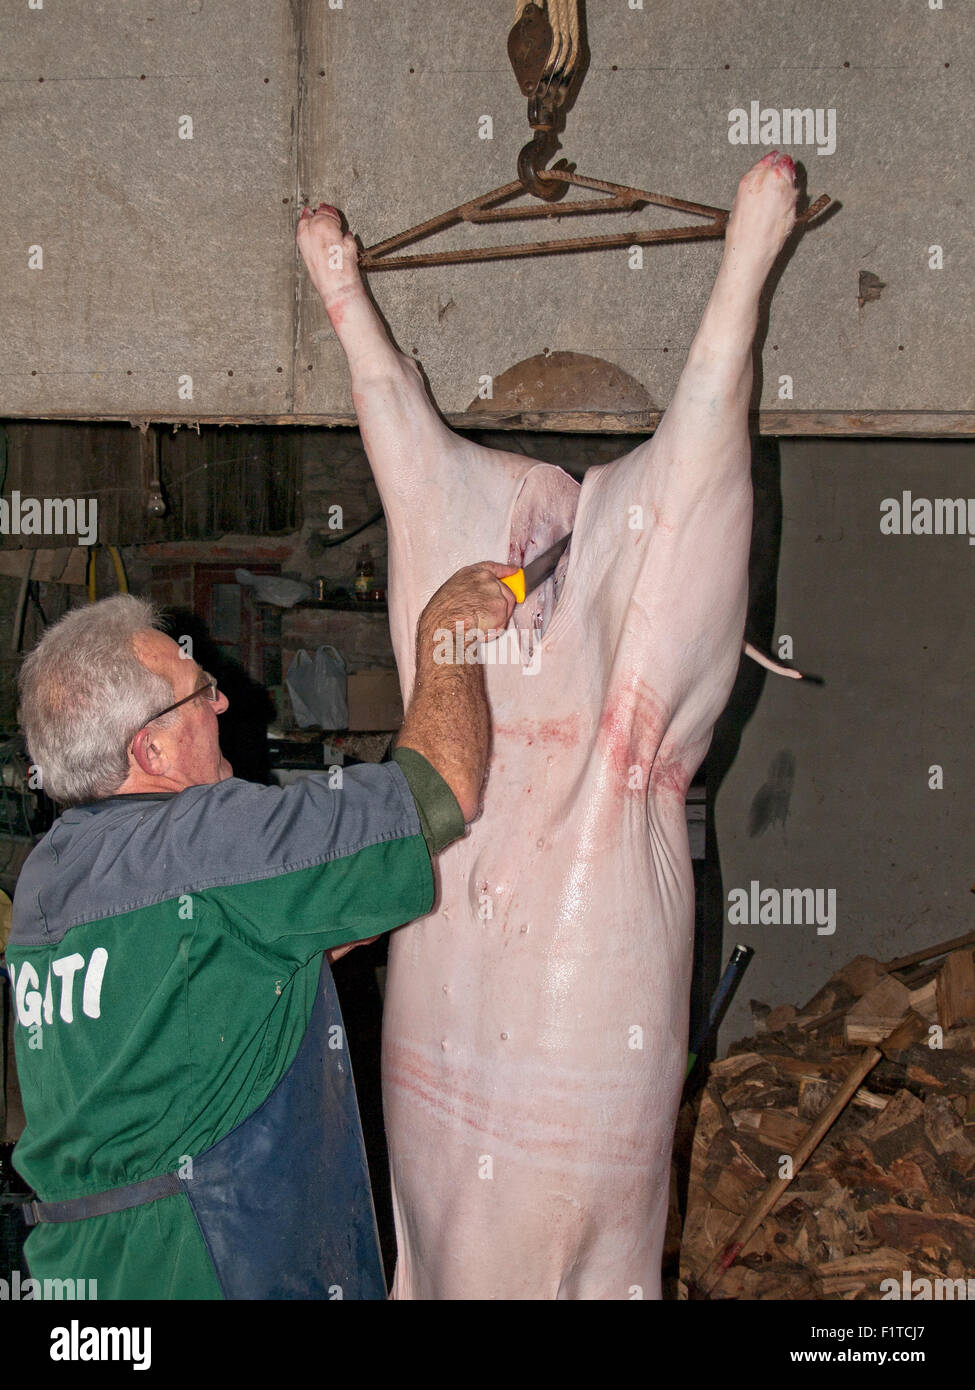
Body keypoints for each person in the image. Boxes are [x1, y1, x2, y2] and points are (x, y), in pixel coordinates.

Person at [6, 566, 515, 1300]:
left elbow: (233, 964)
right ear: (149, 751)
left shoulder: (51, 875)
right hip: (210, 1263)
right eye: (198, 690)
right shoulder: (206, 840)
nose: (222, 699)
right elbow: (440, 788)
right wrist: (446, 638)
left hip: (83, 1280)